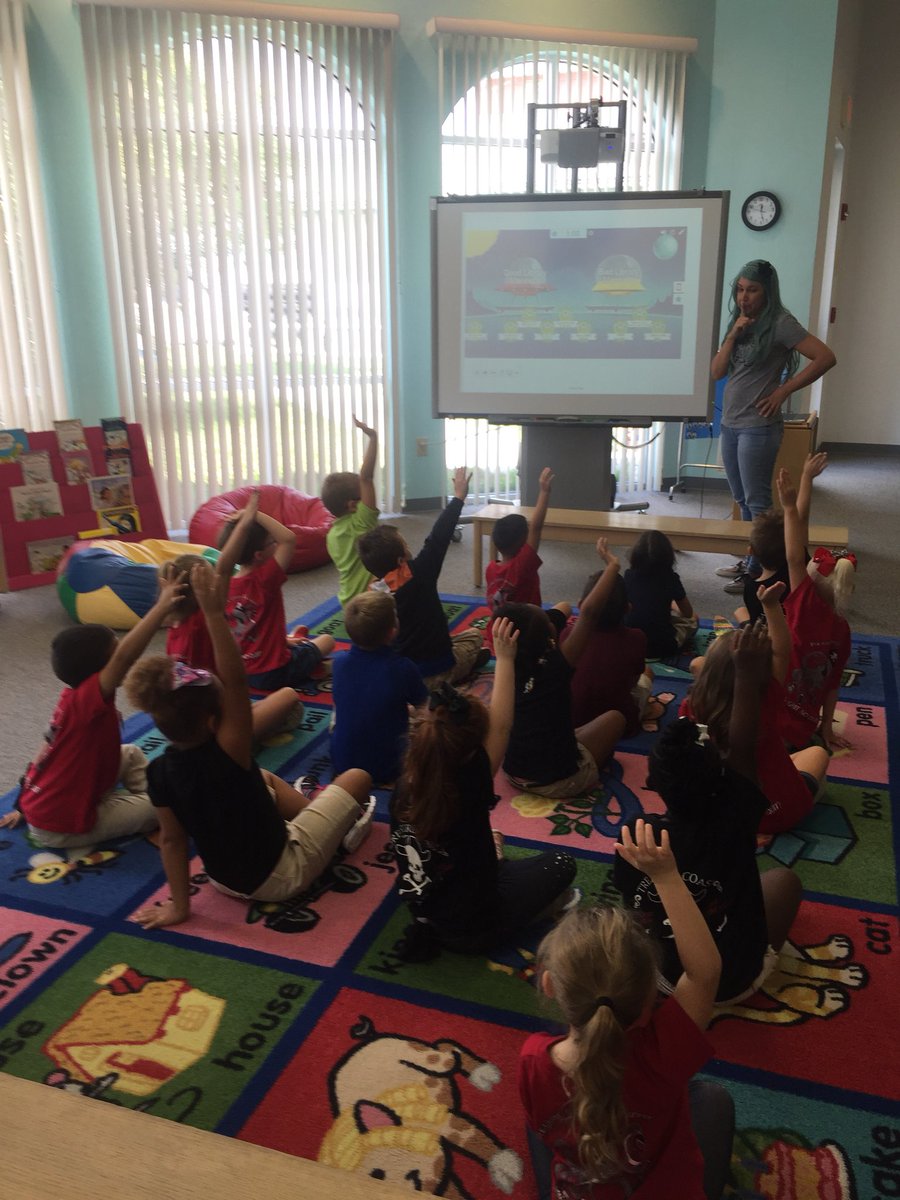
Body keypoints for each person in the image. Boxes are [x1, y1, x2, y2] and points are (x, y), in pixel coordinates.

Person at [126, 560, 375, 929]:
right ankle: (336, 833)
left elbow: (173, 842)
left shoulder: (160, 770)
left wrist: (179, 907)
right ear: (214, 721)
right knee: (358, 777)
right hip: (282, 876)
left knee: (263, 778)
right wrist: (213, 613)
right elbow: (237, 681)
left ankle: (317, 819)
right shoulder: (230, 749)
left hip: (222, 879)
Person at [520, 821, 734, 1200]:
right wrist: (666, 876)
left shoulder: (535, 1059)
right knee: (713, 1099)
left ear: (550, 986)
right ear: (651, 997)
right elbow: (706, 973)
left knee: (538, 1124)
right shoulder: (663, 1053)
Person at [615, 624, 803, 1005]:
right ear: (722, 777)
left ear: (656, 783)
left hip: (661, 976)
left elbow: (630, 902)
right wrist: (749, 675)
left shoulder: (639, 834)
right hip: (728, 981)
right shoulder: (736, 820)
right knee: (785, 880)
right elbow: (744, 752)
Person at [390, 617, 576, 960]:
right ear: (472, 751)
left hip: (425, 911)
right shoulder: (470, 782)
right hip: (478, 927)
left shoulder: (404, 785)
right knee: (562, 864)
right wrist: (504, 659)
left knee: (486, 840)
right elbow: (502, 726)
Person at [0, 572, 186, 846]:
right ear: (101, 669)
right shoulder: (90, 698)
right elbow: (126, 657)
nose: (121, 656)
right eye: (115, 651)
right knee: (167, 808)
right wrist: (161, 609)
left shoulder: (73, 698)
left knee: (132, 752)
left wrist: (24, 802)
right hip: (61, 825)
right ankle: (153, 809)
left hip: (54, 797)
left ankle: (148, 799)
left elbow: (45, 752)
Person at [711, 259, 836, 589]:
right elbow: (717, 372)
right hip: (731, 422)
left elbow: (825, 357)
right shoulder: (738, 322)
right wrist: (733, 334)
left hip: (758, 426)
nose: (744, 297)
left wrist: (782, 391)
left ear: (767, 292)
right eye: (739, 289)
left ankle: (760, 571)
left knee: (758, 502)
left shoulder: (781, 323)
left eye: (752, 290)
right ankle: (752, 561)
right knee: (740, 498)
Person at [686, 583, 829, 835]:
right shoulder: (767, 698)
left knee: (697, 665)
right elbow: (782, 652)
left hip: (722, 813)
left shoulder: (691, 707)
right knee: (818, 753)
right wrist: (771, 605)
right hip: (782, 810)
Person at [162, 494, 303, 740]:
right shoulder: (207, 620)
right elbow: (226, 565)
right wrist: (248, 520)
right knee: (289, 697)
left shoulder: (173, 632)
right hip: (225, 730)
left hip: (193, 727)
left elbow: (226, 567)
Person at [497, 539, 626, 800]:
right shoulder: (557, 667)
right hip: (555, 781)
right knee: (615, 719)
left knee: (566, 729)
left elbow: (564, 610)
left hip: (513, 772)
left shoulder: (507, 667)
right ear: (551, 640)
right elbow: (588, 612)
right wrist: (613, 565)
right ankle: (584, 775)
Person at [358, 467, 485, 685]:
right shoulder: (420, 572)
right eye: (405, 543)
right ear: (400, 560)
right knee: (474, 635)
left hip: (402, 675)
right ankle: (461, 668)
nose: (409, 546)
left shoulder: (373, 594)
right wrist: (459, 498)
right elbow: (439, 537)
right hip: (437, 670)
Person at [219, 495, 336, 691]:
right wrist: (254, 514)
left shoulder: (224, 585)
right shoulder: (266, 578)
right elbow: (289, 539)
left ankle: (286, 642)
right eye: (272, 542)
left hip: (242, 672)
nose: (276, 544)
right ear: (259, 554)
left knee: (274, 631)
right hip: (276, 671)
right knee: (327, 641)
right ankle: (314, 667)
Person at [777, 458, 854, 753]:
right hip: (804, 726)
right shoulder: (842, 627)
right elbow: (833, 684)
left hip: (772, 716)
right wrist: (824, 728)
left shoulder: (804, 605)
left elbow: (796, 553)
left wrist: (787, 505)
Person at [330, 590, 427, 785]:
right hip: (388, 767)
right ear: (393, 630)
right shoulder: (403, 668)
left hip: (342, 763)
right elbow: (425, 710)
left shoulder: (338, 662)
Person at [562, 573, 653, 738]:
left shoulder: (567, 634)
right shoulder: (637, 637)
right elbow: (632, 681)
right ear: (628, 608)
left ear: (581, 605)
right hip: (619, 722)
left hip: (568, 720)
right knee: (648, 673)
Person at [484, 466, 553, 651]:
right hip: (525, 634)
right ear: (524, 544)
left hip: (497, 633)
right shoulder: (523, 566)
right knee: (563, 610)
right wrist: (544, 492)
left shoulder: (491, 569)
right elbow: (536, 527)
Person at [322, 416, 380, 608]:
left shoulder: (332, 535)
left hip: (348, 603)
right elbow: (366, 477)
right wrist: (373, 437)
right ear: (352, 506)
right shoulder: (362, 523)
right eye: (362, 495)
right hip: (371, 601)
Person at [623, 530, 697, 659]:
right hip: (663, 647)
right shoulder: (671, 578)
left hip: (630, 643)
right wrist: (673, 606)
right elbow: (688, 613)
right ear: (668, 557)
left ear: (635, 555)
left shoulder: (628, 575)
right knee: (694, 619)